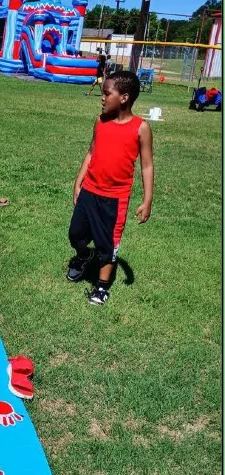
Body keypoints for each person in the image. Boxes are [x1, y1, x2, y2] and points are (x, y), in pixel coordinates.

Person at [67, 71, 154, 306]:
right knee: (75, 234)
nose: (102, 98)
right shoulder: (100, 121)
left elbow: (147, 165)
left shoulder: (141, 128)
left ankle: (102, 286)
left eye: (107, 93)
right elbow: (91, 152)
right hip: (89, 191)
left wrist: (147, 200)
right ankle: (85, 256)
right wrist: (78, 181)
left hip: (115, 199)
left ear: (124, 98)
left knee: (108, 243)